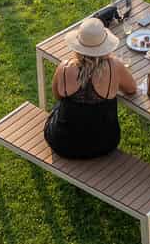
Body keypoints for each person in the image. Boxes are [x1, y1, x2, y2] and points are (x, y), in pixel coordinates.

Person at [43, 16, 137, 161]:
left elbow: (57, 96)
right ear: (104, 46)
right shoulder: (114, 67)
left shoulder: (64, 67)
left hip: (63, 143)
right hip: (105, 143)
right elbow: (131, 89)